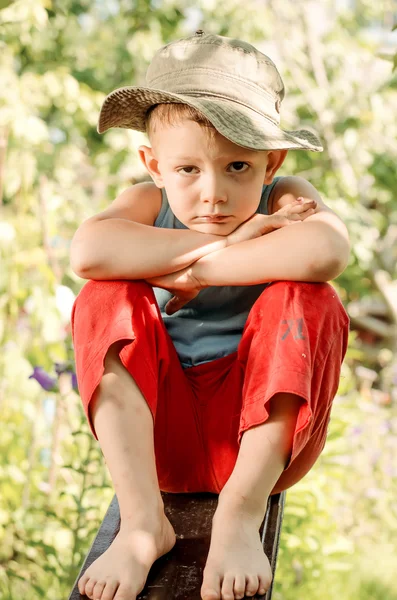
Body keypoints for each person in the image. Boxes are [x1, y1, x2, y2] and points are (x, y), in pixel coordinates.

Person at [70, 31, 350, 600]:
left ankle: (238, 520)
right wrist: (238, 243)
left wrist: (197, 273)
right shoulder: (146, 204)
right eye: (188, 171)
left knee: (309, 297)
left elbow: (326, 254)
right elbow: (88, 254)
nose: (213, 194)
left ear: (272, 162)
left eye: (238, 166)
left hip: (260, 437)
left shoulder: (287, 197)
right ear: (153, 165)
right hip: (158, 442)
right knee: (103, 297)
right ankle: (144, 524)